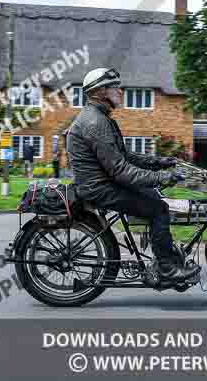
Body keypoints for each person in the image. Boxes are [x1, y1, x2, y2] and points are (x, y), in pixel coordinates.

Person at [65, 67, 199, 282]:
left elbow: (124, 156)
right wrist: (164, 177)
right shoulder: (95, 122)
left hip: (101, 182)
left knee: (153, 195)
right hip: (100, 187)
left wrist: (160, 162)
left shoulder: (99, 117)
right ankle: (166, 268)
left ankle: (166, 257)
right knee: (158, 209)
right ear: (101, 92)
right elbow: (121, 171)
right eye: (115, 88)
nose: (120, 92)